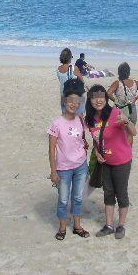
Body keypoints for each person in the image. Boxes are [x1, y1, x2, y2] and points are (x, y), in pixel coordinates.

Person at [86, 84, 136, 239]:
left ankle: (120, 225)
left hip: (122, 161)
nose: (98, 101)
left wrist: (126, 121)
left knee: (121, 193)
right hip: (105, 162)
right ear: (90, 100)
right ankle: (108, 225)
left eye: (101, 97)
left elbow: (134, 132)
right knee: (108, 193)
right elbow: (96, 139)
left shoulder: (115, 113)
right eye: (94, 98)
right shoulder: (90, 119)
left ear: (106, 99)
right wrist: (96, 152)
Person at [47, 79, 90, 241]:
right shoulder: (56, 123)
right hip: (63, 168)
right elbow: (51, 149)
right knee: (63, 199)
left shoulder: (80, 120)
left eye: (76, 101)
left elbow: (84, 137)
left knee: (78, 197)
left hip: (81, 166)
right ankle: (62, 227)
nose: (73, 104)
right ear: (64, 101)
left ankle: (77, 226)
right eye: (70, 100)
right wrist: (53, 171)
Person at [107, 62, 138, 145]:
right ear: (128, 72)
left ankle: (119, 148)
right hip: (131, 109)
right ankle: (128, 150)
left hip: (120, 110)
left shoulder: (117, 83)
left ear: (119, 72)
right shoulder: (135, 82)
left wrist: (116, 101)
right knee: (130, 132)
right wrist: (136, 98)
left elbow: (108, 93)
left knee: (118, 131)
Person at [56, 48, 85, 115]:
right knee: (79, 114)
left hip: (63, 93)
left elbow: (61, 80)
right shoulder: (74, 68)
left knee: (65, 114)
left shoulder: (58, 69)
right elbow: (82, 81)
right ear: (69, 58)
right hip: (74, 94)